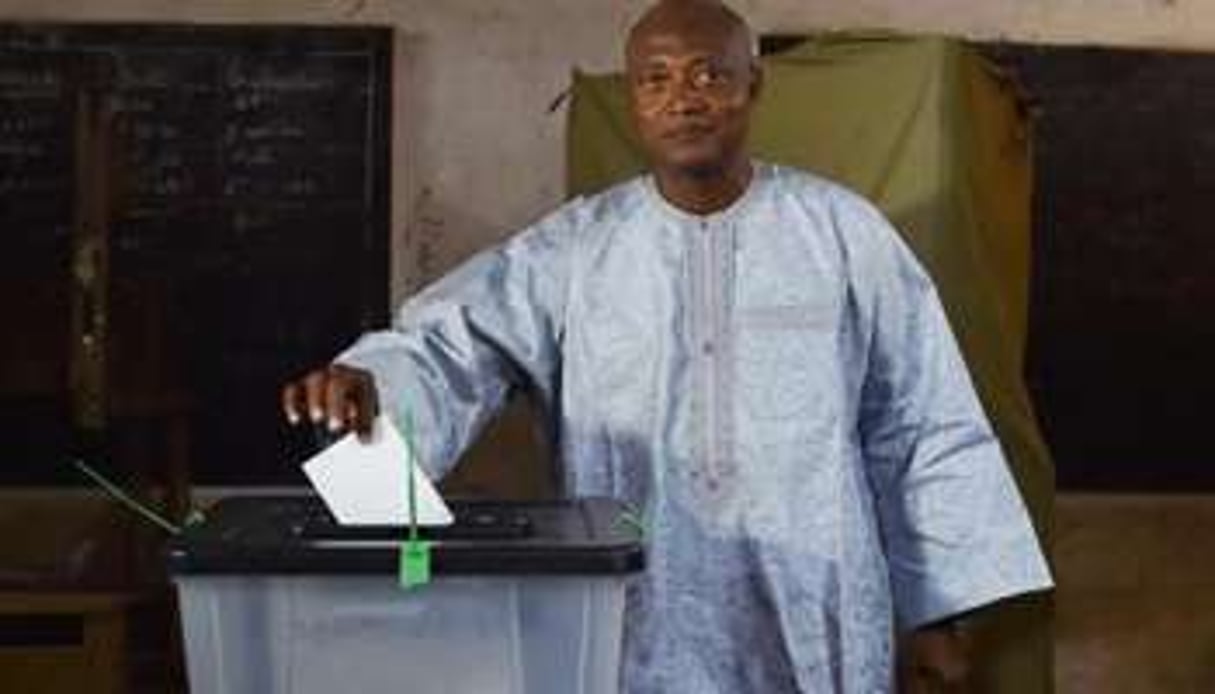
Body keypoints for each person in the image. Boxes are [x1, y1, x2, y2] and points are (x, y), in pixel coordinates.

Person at [282, 1, 1053, 691]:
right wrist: (375, 383)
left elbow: (922, 420)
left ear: (753, 88)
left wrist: (940, 613)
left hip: (814, 609)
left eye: (709, 74)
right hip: (637, 612)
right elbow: (451, 345)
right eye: (655, 80)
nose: (683, 97)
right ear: (633, 100)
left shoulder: (844, 235)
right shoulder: (573, 250)